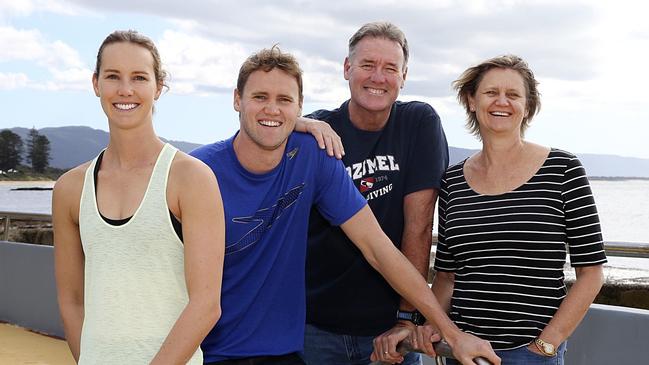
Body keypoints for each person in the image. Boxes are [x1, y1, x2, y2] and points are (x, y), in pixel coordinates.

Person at [190, 46, 499, 365]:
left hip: (283, 352)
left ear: (300, 108)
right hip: (206, 350)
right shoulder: (197, 171)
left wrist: (451, 333)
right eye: (260, 97)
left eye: (284, 100)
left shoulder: (312, 157)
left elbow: (378, 248)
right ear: (237, 99)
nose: (272, 109)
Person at [53, 30, 225, 364]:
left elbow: (206, 304)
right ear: (96, 83)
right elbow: (71, 301)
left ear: (158, 87)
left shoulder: (191, 178)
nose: (125, 90)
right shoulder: (70, 189)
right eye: (113, 76)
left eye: (139, 77)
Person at [428, 55, 607, 364]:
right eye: (490, 92)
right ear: (472, 100)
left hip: (532, 352)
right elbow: (446, 275)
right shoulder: (452, 181)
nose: (502, 102)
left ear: (528, 106)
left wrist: (546, 345)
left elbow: (591, 273)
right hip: (464, 353)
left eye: (513, 95)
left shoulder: (563, 170)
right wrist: (428, 325)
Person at [296, 21, 448, 365]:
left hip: (389, 329)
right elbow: (258, 133)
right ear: (347, 69)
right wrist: (297, 122)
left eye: (390, 68)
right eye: (367, 65)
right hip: (315, 327)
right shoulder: (317, 131)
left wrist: (407, 319)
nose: (378, 77)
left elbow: (419, 224)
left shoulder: (418, 123)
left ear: (404, 76)